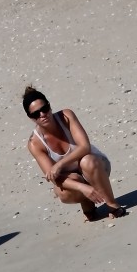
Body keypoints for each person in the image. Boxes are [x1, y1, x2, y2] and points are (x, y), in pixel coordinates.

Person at [23, 86, 127, 222]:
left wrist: (60, 164)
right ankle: (87, 202)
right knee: (66, 187)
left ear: (49, 106)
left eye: (44, 109)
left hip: (96, 166)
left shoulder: (66, 116)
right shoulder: (35, 143)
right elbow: (54, 178)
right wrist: (83, 187)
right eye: (36, 114)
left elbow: (85, 147)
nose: (42, 115)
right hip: (73, 180)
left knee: (87, 161)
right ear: (31, 118)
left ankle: (112, 204)